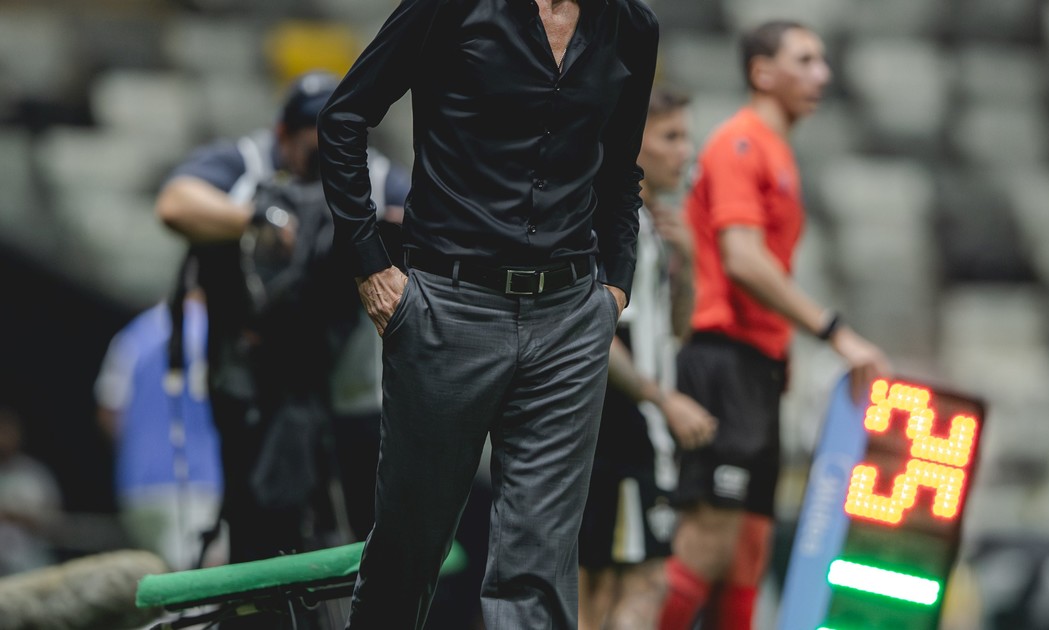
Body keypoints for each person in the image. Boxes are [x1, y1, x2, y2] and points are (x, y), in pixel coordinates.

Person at [316, 0, 659, 626]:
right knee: (407, 552)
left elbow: (621, 171)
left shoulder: (631, 25)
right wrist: (370, 267)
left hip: (571, 318)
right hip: (449, 307)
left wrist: (616, 286)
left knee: (541, 565)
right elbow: (344, 118)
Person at [658, 21, 891, 630]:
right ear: (762, 72)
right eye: (805, 61)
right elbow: (742, 258)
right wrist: (834, 330)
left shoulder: (776, 150)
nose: (823, 75)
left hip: (758, 366)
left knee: (748, 553)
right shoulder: (740, 143)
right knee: (707, 540)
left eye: (822, 61)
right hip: (722, 359)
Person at [155, 70, 411, 571]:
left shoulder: (379, 179)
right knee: (259, 534)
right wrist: (260, 222)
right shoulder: (246, 164)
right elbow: (174, 204)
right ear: (283, 136)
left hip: (351, 389)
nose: (325, 164)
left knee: (373, 533)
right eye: (315, 151)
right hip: (256, 386)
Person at [577, 85, 716, 630]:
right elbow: (594, 331)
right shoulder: (608, 221)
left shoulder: (652, 226)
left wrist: (690, 263)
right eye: (671, 137)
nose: (685, 151)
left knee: (627, 583)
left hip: (640, 435)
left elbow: (676, 332)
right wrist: (664, 401)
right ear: (634, 144)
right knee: (605, 587)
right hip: (612, 432)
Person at [94, 286, 224, 572]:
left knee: (158, 585)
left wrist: (140, 451)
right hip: (198, 487)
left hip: (137, 492)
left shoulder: (133, 336)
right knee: (200, 585)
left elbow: (108, 413)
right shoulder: (214, 329)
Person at [0, 408, 61, 577]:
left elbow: (54, 524)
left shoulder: (34, 474)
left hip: (30, 566)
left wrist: (14, 516)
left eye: (6, 432)